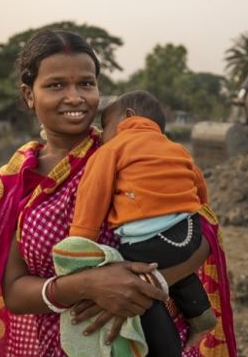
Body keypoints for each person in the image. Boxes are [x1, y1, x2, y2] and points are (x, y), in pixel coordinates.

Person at [0, 29, 237, 357]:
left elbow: (202, 230)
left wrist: (141, 289)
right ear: (29, 95)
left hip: (159, 339)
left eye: (86, 83)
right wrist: (86, 287)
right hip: (63, 345)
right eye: (55, 85)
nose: (75, 97)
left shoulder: (133, 153)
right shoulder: (16, 181)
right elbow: (13, 291)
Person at [68, 90, 216, 355]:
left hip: (150, 242)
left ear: (128, 117)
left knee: (130, 282)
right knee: (165, 264)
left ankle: (166, 349)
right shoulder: (175, 148)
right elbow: (199, 184)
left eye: (105, 127)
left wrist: (82, 243)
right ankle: (200, 312)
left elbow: (93, 195)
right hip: (190, 231)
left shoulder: (112, 149)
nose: (102, 136)